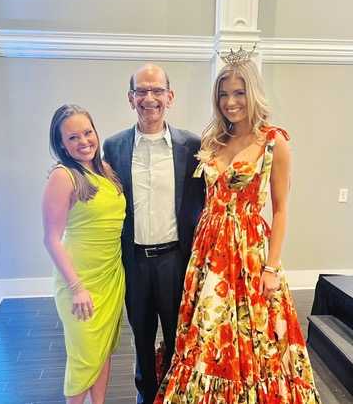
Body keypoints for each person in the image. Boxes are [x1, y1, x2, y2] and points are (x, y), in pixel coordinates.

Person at [154, 49, 322, 403]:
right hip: (209, 250)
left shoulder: (274, 142)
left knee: (254, 336)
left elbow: (281, 210)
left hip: (248, 250)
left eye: (239, 92)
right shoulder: (214, 139)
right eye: (224, 94)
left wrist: (272, 268)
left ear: (254, 92)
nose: (231, 102)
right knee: (205, 334)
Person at [103, 64, 205, 404]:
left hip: (175, 261)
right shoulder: (114, 147)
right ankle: (145, 396)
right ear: (131, 98)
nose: (150, 98)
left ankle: (178, 396)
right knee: (141, 339)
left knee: (180, 338)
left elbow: (206, 201)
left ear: (170, 97)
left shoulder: (191, 146)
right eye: (142, 91)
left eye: (157, 90)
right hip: (134, 263)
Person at [42, 104, 126, 404]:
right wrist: (77, 287)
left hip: (111, 276)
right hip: (81, 282)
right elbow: (51, 239)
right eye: (73, 137)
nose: (84, 141)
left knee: (102, 350)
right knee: (83, 357)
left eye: (87, 132)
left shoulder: (106, 170)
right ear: (61, 144)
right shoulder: (63, 176)